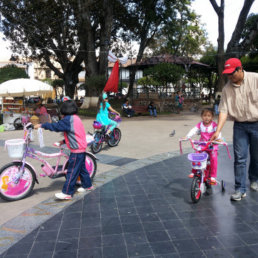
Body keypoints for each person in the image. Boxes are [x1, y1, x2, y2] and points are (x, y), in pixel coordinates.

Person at [210, 58, 258, 201]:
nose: (230, 77)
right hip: (240, 126)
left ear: (240, 69)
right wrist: (217, 131)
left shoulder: (256, 79)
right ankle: (239, 189)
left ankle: (254, 179)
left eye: (232, 73)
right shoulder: (227, 89)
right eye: (228, 74)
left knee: (256, 156)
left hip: (257, 124)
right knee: (240, 158)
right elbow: (223, 110)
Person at [34, 99, 93, 200]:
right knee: (82, 169)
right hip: (81, 148)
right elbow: (76, 134)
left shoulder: (68, 119)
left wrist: (42, 125)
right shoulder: (76, 118)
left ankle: (67, 193)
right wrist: (63, 141)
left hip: (76, 150)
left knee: (72, 171)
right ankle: (88, 185)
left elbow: (56, 126)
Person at [183, 108, 222, 183]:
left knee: (214, 158)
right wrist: (187, 136)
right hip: (203, 144)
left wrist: (218, 138)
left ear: (212, 117)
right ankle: (194, 171)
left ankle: (213, 176)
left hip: (212, 145)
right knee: (196, 154)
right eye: (204, 115)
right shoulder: (200, 124)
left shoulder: (214, 125)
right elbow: (194, 130)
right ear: (201, 116)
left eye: (209, 116)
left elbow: (218, 131)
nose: (206, 117)